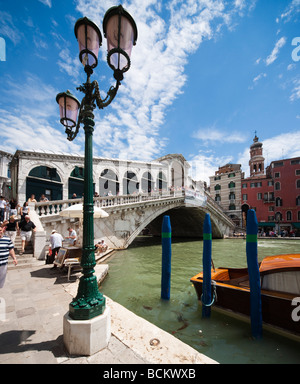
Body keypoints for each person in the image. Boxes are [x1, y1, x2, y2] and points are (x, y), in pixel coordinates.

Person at [0, 224, 17, 289]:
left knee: (1, 281)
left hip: (4, 264)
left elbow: (11, 249)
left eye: (0, 230)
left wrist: (14, 258)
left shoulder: (7, 239)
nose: (0, 232)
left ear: (3, 230)